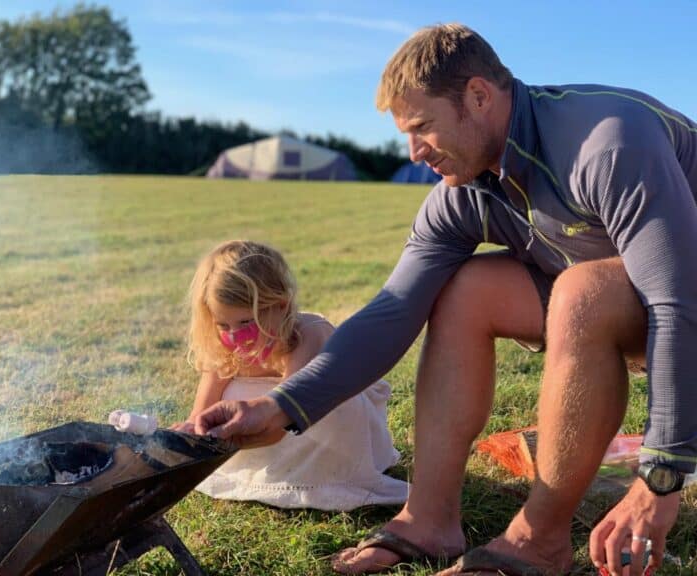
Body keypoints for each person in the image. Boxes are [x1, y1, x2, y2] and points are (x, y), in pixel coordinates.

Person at [193, 23, 697, 576]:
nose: (414, 151)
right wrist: (281, 406)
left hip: (682, 303)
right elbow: (393, 309)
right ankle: (429, 518)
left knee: (582, 290)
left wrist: (663, 473)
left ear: (479, 97)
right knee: (463, 289)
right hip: (644, 312)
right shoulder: (460, 191)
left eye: (423, 126)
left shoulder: (606, 141)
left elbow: (677, 301)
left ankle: (539, 542)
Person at [171, 240, 408, 511]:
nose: (235, 336)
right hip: (258, 435)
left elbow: (283, 418)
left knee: (326, 408)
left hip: (308, 427)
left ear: (281, 306)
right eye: (224, 325)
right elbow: (201, 409)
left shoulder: (307, 334)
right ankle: (265, 471)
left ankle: (321, 478)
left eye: (247, 322)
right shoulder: (228, 347)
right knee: (232, 393)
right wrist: (193, 431)